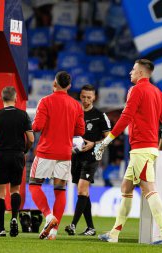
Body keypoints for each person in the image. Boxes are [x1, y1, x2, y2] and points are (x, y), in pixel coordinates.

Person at [94, 59, 162, 244]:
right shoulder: (159, 94)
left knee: (149, 188)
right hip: (147, 148)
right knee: (126, 187)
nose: (130, 73)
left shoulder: (136, 90)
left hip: (141, 149)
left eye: (133, 70)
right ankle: (114, 234)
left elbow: (126, 117)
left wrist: (106, 141)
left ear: (141, 73)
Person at [29, 71, 85, 240]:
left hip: (46, 152)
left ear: (54, 83)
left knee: (34, 184)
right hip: (65, 154)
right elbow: (80, 131)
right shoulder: (76, 105)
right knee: (60, 190)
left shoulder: (45, 101)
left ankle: (48, 216)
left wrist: (31, 123)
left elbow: (37, 126)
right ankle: (53, 232)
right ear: (69, 86)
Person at [0, 86, 34, 237]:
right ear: (16, 98)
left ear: (1, 98)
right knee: (15, 190)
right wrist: (24, 150)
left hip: (1, 156)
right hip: (17, 155)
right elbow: (31, 139)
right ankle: (15, 218)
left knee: (0, 194)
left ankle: (2, 229)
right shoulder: (23, 116)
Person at [65, 84, 111, 236]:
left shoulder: (100, 115)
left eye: (89, 97)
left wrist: (93, 144)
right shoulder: (74, 112)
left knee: (81, 189)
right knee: (84, 193)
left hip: (92, 156)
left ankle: (72, 225)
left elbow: (108, 139)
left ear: (94, 97)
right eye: (83, 97)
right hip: (76, 156)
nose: (86, 100)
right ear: (80, 96)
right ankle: (90, 227)